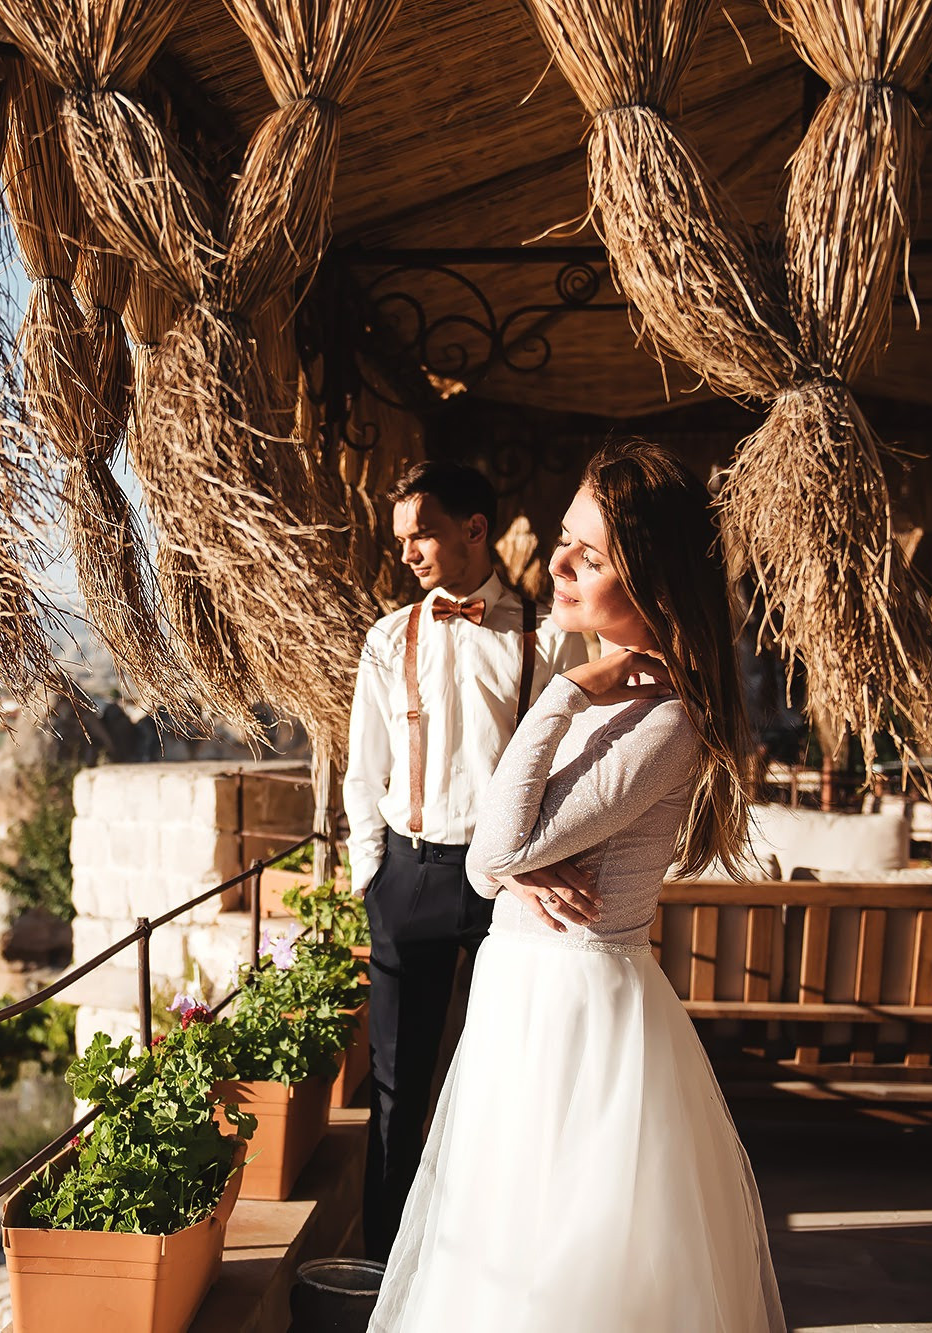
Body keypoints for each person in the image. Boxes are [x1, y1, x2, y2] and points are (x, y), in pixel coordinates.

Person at [369, 440, 786, 1331]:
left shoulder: (662, 717)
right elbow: (487, 862)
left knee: (560, 1275)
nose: (556, 563)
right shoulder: (614, 695)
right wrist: (510, 864)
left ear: (655, 580)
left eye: (588, 555)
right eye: (564, 539)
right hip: (527, 999)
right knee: (496, 1257)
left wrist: (561, 694)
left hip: (576, 1016)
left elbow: (493, 845)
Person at [343, 460, 589, 1261]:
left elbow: (569, 767)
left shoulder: (547, 637)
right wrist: (371, 878)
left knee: (505, 1078)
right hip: (409, 876)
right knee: (395, 1086)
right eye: (403, 538)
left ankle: (488, 1258)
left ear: (475, 530)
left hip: (509, 885)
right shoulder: (388, 638)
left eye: (423, 534)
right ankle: (385, 1265)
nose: (408, 552)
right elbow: (363, 768)